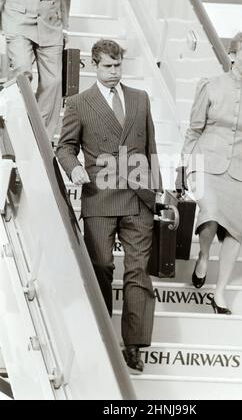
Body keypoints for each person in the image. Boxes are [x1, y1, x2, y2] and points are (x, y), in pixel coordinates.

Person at [56, 39, 163, 374]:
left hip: (138, 198)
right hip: (99, 196)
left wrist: (156, 191)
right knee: (101, 265)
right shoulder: (78, 103)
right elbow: (65, 147)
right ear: (93, 65)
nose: (114, 72)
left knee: (138, 271)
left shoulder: (140, 99)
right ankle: (103, 335)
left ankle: (135, 345)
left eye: (118, 66)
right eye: (107, 66)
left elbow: (152, 148)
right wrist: (74, 168)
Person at [176, 31, 242, 314]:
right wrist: (183, 165)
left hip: (240, 169)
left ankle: (220, 293)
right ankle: (204, 254)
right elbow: (194, 129)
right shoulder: (210, 86)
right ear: (232, 56)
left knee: (235, 231)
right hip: (206, 162)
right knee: (209, 215)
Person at [0, 0, 75, 141]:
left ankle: (38, 137)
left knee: (54, 83)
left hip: (51, 22)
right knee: (23, 72)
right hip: (18, 18)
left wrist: (65, 28)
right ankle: (15, 129)